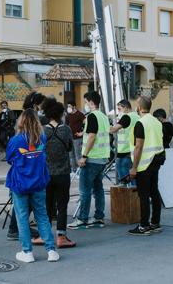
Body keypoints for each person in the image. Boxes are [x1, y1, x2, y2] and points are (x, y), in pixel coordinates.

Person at [6, 108, 60, 263]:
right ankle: (51, 251)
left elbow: (9, 159)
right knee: (42, 216)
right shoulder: (41, 137)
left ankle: (27, 252)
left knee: (22, 218)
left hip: (21, 184)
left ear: (21, 121)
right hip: (39, 183)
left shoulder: (15, 140)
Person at [68, 91, 110, 229]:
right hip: (102, 158)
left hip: (91, 158)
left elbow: (92, 136)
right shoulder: (103, 116)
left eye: (86, 102)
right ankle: (98, 217)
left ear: (91, 102)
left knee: (85, 190)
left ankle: (82, 219)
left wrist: (84, 156)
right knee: (98, 189)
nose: (85, 105)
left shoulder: (92, 116)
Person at [128, 96, 166, 236]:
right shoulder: (157, 122)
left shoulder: (140, 123)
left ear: (138, 107)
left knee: (144, 195)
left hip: (144, 164)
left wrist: (134, 167)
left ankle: (144, 225)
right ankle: (155, 223)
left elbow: (138, 146)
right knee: (154, 191)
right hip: (156, 160)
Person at [43, 98, 76, 248]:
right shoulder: (66, 129)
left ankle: (45, 235)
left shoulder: (42, 130)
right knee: (62, 205)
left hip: (46, 173)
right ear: (60, 114)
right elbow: (69, 147)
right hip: (63, 173)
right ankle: (61, 237)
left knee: (47, 205)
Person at [110, 100, 139, 185]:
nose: (119, 111)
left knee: (124, 182)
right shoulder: (137, 117)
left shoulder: (126, 117)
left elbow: (113, 130)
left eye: (119, 109)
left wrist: (104, 125)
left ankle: (126, 198)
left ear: (125, 108)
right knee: (133, 181)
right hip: (133, 152)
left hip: (124, 153)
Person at [66, 101, 85, 170]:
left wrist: (82, 132)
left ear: (74, 107)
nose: (68, 108)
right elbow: (66, 125)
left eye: (69, 106)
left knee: (78, 155)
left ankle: (80, 170)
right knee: (71, 156)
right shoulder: (68, 115)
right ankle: (74, 170)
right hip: (70, 138)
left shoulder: (80, 114)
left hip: (78, 138)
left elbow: (86, 123)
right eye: (67, 106)